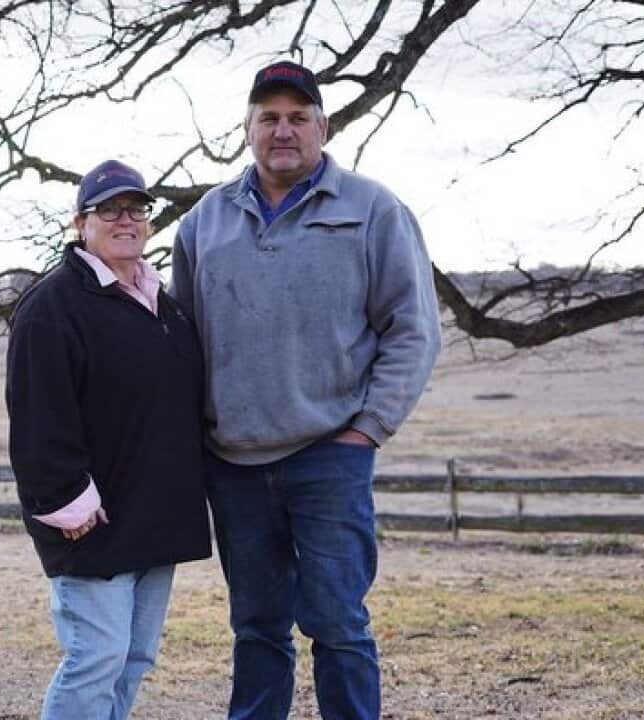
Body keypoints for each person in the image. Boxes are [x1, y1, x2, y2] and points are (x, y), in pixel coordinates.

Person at [170, 61, 442, 719]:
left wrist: (366, 430)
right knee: (257, 627)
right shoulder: (204, 222)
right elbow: (181, 343)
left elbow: (413, 329)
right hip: (233, 463)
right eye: (269, 118)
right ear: (248, 129)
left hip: (329, 454)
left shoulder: (372, 210)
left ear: (322, 126)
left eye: (298, 117)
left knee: (337, 622)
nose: (283, 130)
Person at [6, 159, 212, 720]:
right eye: (109, 210)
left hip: (155, 514)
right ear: (81, 223)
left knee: (134, 657)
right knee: (96, 657)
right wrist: (62, 501)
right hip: (90, 519)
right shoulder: (53, 307)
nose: (126, 220)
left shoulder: (161, 302)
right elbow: (36, 416)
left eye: (137, 209)